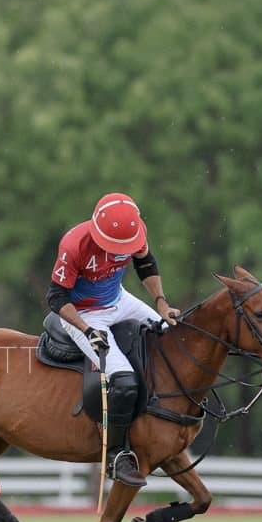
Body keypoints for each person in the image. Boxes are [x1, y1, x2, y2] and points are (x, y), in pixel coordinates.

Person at [44, 193, 181, 488]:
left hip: (120, 301)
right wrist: (85, 328)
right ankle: (117, 456)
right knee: (123, 379)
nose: (120, 251)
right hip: (84, 314)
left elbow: (146, 264)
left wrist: (161, 303)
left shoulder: (135, 233)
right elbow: (56, 296)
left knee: (174, 338)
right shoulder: (74, 244)